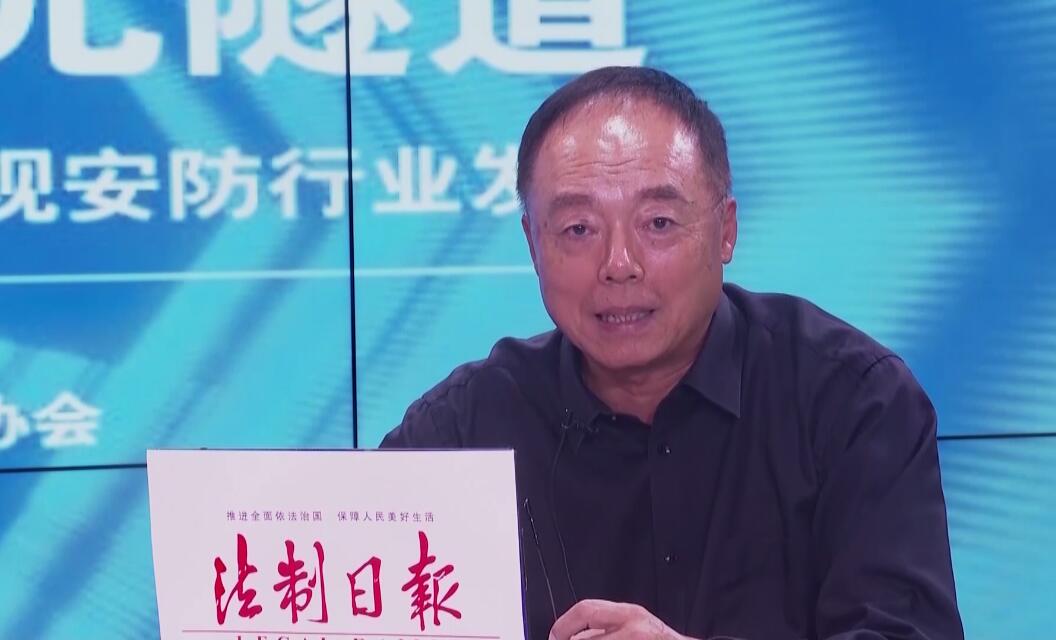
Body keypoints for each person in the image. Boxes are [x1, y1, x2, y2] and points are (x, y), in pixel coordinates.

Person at [381, 66, 963, 640]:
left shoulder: (852, 401)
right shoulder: (462, 429)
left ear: (725, 230)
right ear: (533, 243)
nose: (619, 265)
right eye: (579, 229)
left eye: (658, 222)